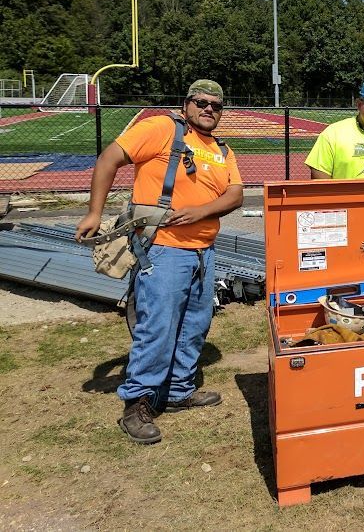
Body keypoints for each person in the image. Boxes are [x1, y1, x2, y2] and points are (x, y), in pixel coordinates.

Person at [75, 80, 243, 445]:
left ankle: (180, 389)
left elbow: (235, 194)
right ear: (187, 104)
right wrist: (94, 212)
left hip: (204, 251)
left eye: (216, 104)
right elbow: (109, 158)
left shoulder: (221, 149)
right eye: (202, 102)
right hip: (163, 251)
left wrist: (201, 211)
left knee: (195, 324)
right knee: (159, 327)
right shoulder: (162, 129)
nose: (209, 108)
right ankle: (139, 403)